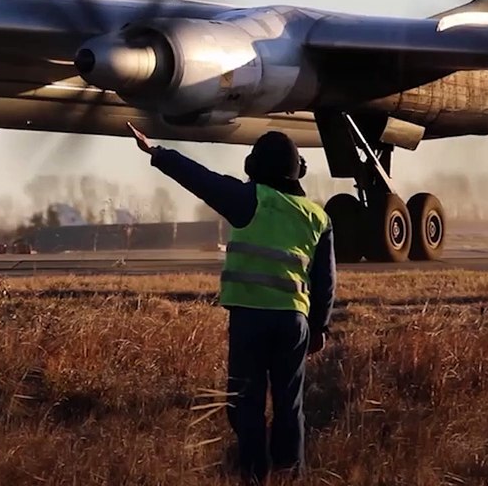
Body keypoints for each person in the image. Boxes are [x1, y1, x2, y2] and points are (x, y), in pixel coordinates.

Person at [126, 124, 335, 483]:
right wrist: (320, 327)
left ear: (253, 167)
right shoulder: (317, 216)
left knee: (246, 404)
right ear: (297, 170)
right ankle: (290, 475)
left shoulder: (247, 199)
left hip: (250, 320)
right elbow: (326, 281)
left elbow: (200, 179)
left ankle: (253, 474)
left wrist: (158, 153)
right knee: (291, 405)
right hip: (293, 324)